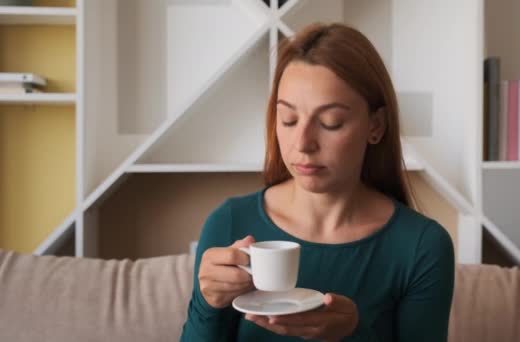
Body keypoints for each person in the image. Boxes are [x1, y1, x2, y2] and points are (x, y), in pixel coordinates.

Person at [180, 22, 454, 341]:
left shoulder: (422, 247)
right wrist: (208, 302)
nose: (303, 143)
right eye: (289, 120)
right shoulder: (229, 223)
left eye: (330, 122)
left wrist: (354, 333)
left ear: (375, 126)